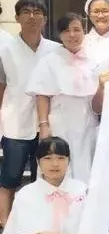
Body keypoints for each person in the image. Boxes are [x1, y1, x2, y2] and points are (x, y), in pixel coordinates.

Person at [0, 0, 59, 234]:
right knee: (10, 178)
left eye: (37, 12)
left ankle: (40, 231)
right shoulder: (5, 50)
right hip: (15, 123)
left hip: (48, 124)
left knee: (43, 180)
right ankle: (7, 232)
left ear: (45, 18)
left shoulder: (55, 50)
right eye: (26, 11)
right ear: (17, 17)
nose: (32, 17)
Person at [26, 13, 98, 184]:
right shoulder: (50, 61)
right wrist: (44, 125)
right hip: (60, 121)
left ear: (84, 31)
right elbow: (42, 94)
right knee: (59, 164)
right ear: (59, 34)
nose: (72, 35)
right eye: (66, 30)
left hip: (87, 121)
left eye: (76, 29)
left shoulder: (94, 60)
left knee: (86, 167)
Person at [83, 0, 109, 66]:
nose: (100, 16)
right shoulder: (81, 41)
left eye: (105, 11)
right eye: (96, 11)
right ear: (89, 15)